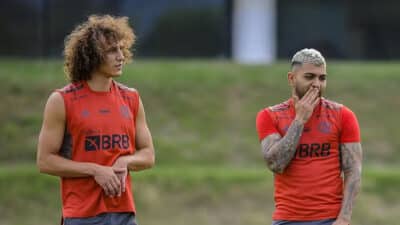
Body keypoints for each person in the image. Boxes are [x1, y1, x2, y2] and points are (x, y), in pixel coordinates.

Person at [37, 15, 155, 225]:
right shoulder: (62, 100)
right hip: (82, 216)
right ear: (91, 55)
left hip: (124, 214)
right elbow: (45, 161)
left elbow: (148, 155)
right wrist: (95, 170)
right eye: (111, 50)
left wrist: (125, 161)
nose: (120, 56)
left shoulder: (131, 98)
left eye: (121, 49)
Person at [256, 48, 362, 225]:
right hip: (287, 219)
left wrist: (344, 218)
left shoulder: (343, 115)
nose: (317, 84)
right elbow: (276, 164)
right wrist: (299, 120)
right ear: (291, 78)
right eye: (309, 77)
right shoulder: (270, 116)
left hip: (330, 219)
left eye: (322, 78)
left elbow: (353, 170)